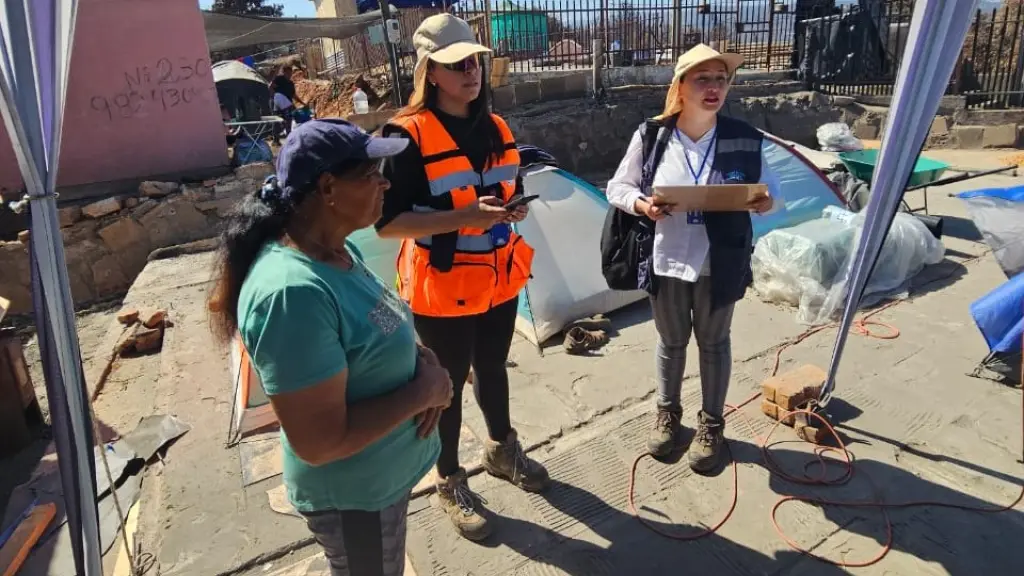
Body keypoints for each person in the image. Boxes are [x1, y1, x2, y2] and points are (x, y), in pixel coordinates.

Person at [207, 118, 452, 576]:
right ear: (327, 187)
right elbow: (320, 442)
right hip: (354, 498)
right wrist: (425, 392)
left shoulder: (339, 250)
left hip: (379, 479)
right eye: (369, 174)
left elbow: (372, 325)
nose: (384, 182)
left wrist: (421, 358)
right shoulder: (292, 293)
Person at [375, 13, 550, 541]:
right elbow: (387, 225)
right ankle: (448, 478)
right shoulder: (404, 136)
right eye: (456, 64)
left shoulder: (496, 127)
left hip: (498, 279)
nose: (471, 71)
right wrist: (464, 218)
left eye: (474, 60)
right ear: (430, 71)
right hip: (443, 287)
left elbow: (500, 189)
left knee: (493, 366)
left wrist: (508, 211)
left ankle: (501, 449)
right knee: (442, 387)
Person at [606, 44, 782, 474]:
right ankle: (668, 415)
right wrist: (643, 206)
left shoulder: (744, 137)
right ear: (680, 87)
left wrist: (764, 203)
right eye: (703, 79)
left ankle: (712, 424)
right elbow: (618, 188)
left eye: (721, 79)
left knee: (714, 342)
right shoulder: (653, 135)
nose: (714, 88)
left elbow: (773, 193)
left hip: (719, 259)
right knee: (670, 342)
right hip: (666, 257)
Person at [271, 64, 306, 142]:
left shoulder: (290, 83)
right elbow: (271, 87)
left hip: (287, 105)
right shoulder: (279, 79)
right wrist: (274, 99)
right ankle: (276, 140)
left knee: (288, 121)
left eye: (290, 73)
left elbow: (293, 95)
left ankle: (289, 138)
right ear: (283, 72)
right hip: (278, 103)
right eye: (287, 73)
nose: (289, 75)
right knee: (277, 121)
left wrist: (302, 103)